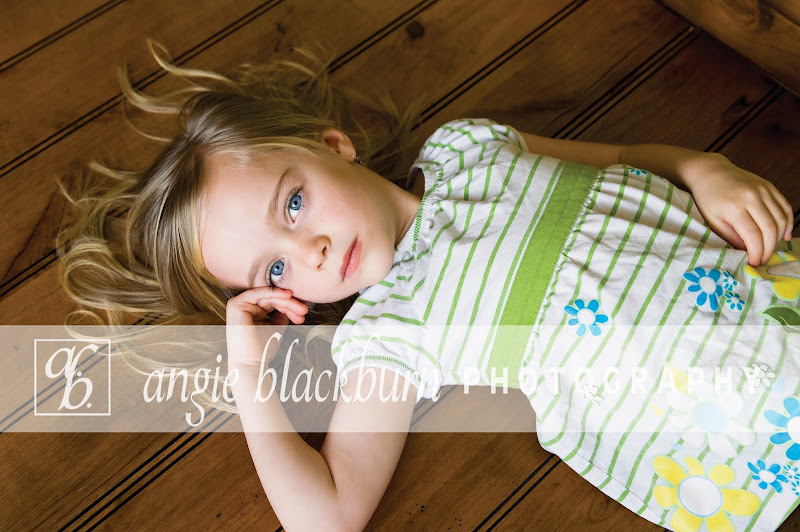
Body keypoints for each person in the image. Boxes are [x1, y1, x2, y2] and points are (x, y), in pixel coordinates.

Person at [59, 40, 799, 531]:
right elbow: (329, 515)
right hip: (739, 419)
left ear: (330, 145)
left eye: (292, 203)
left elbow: (621, 156)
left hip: (775, 288)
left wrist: (707, 168)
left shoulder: (467, 144)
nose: (310, 248)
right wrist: (248, 372)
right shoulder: (390, 333)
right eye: (275, 270)